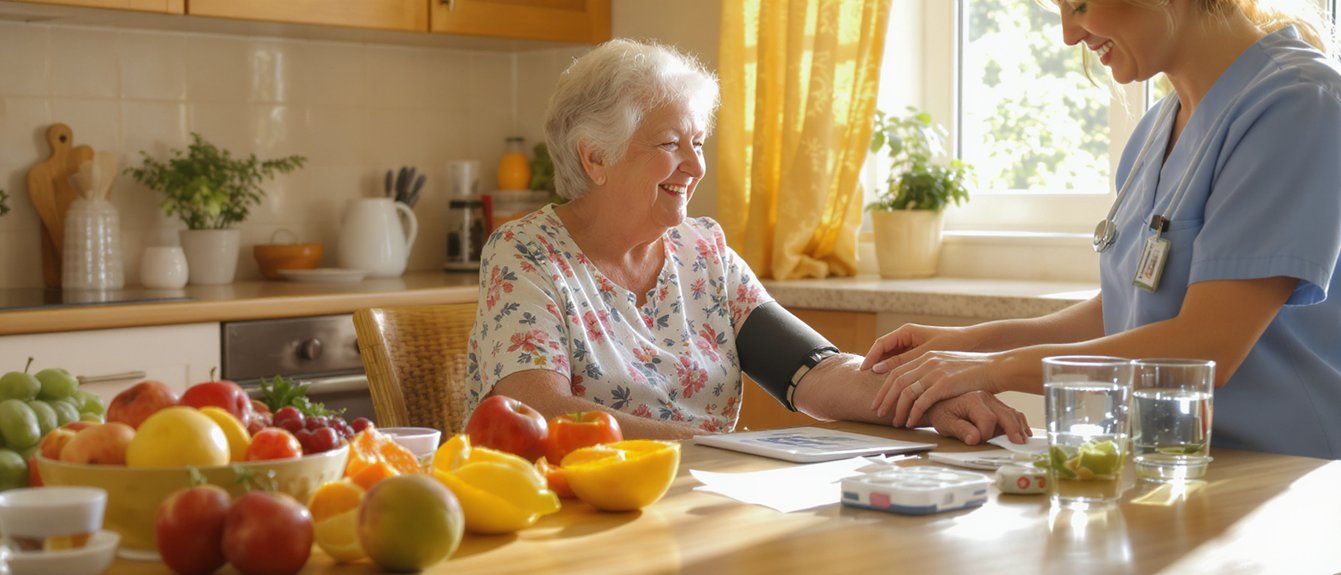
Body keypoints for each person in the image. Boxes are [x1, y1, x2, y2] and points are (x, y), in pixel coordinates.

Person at [466, 38, 1030, 443]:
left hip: (705, 507)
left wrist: (931, 400)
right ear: (596, 157)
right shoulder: (528, 253)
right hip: (573, 520)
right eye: (669, 144)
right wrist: (718, 450)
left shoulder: (702, 251)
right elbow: (536, 409)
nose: (695, 166)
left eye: (699, 142)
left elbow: (818, 372)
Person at [865, 0, 1341, 459]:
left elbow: (1206, 345)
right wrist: (969, 343)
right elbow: (1123, 312)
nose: (1069, 35)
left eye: (1080, 5)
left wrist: (994, 369)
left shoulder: (1298, 104)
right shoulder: (1158, 127)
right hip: (1176, 463)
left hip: (1289, 473)